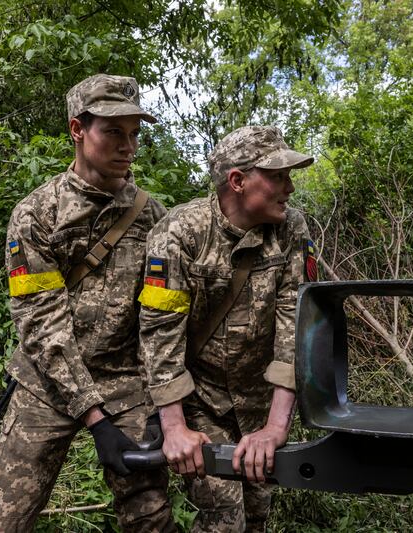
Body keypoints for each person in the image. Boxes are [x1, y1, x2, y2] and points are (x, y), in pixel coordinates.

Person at [0, 74, 175, 532]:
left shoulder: (155, 218)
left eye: (134, 134)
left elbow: (164, 318)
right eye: (113, 131)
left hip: (126, 384)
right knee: (5, 519)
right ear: (77, 130)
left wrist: (162, 403)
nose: (128, 146)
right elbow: (40, 324)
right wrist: (94, 419)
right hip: (45, 385)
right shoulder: (37, 214)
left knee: (150, 516)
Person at [138, 125, 318, 532]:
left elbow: (296, 326)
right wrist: (175, 428)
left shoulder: (292, 230)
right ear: (237, 181)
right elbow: (159, 334)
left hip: (258, 401)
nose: (289, 188)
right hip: (199, 400)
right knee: (225, 518)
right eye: (277, 177)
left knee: (256, 513)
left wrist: (275, 427)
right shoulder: (180, 233)